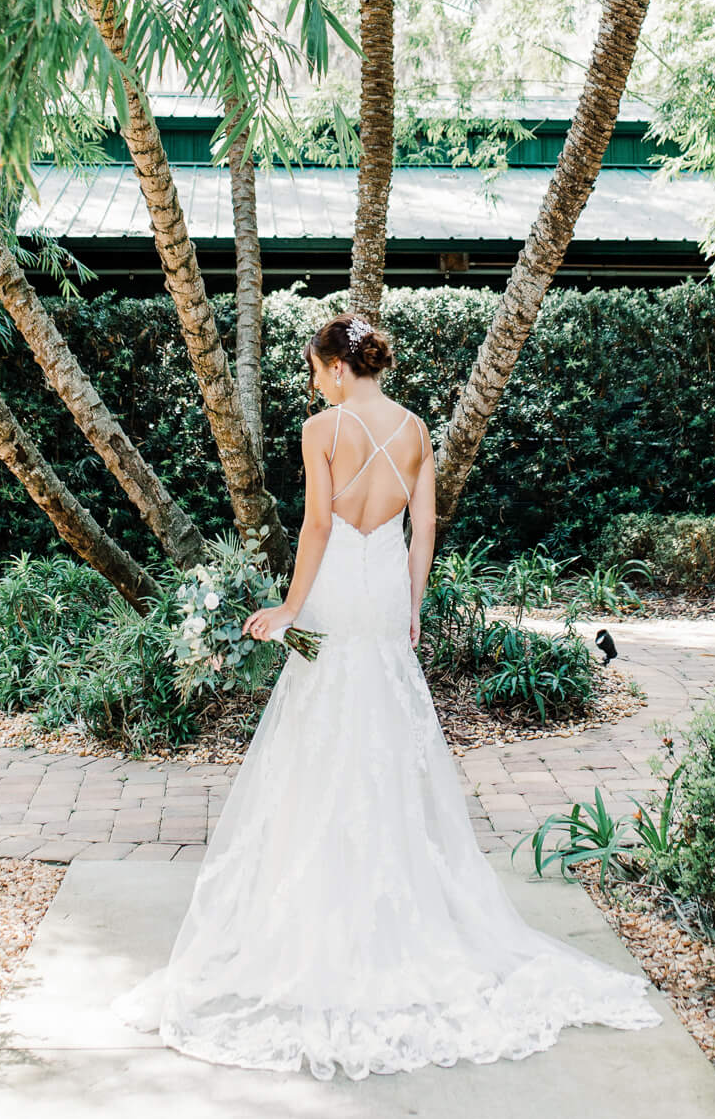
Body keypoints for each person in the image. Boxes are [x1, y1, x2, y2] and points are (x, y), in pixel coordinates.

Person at [113, 312, 658, 1079]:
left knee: (319, 732)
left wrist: (290, 610)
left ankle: (316, 896)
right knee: (383, 732)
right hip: (380, 595)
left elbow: (311, 528)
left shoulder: (321, 429)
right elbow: (424, 525)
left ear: (336, 368)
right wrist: (412, 601)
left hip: (334, 591)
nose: (311, 380)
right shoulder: (413, 429)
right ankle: (394, 892)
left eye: (313, 367)